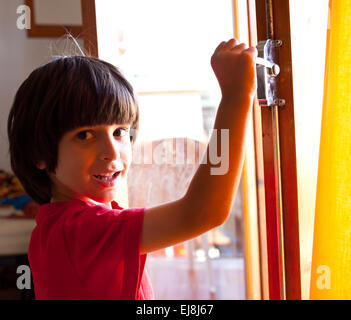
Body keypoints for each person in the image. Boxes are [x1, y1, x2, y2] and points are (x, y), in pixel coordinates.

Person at [7, 38, 257, 299]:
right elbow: (203, 212)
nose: (112, 152)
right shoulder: (81, 230)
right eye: (84, 135)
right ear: (39, 154)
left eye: (119, 132)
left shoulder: (55, 224)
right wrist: (236, 96)